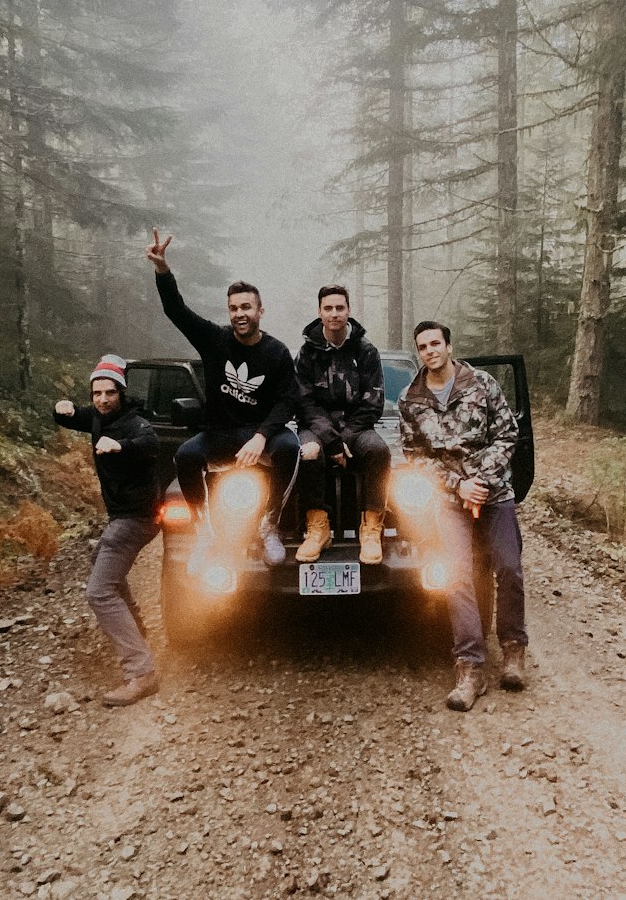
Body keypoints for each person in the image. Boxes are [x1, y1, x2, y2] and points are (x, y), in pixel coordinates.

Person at [145, 229, 300, 570]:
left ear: (261, 310)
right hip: (220, 433)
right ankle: (205, 533)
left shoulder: (276, 352)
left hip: (262, 432)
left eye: (246, 306)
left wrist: (261, 437)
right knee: (185, 455)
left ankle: (269, 524)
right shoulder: (215, 340)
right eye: (233, 308)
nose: (239, 313)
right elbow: (177, 311)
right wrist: (162, 271)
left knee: (291, 449)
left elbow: (288, 401)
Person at [398, 320, 527, 712]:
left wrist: (480, 479)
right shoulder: (411, 399)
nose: (429, 351)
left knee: (509, 569)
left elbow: (507, 433)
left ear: (449, 346)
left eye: (435, 343)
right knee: (457, 575)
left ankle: (513, 651)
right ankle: (470, 667)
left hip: (495, 492)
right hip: (449, 499)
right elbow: (414, 455)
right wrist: (457, 485)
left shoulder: (482, 384)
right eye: (422, 346)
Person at [53, 354, 162, 707]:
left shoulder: (134, 424)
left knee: (98, 592)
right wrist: (62, 410)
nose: (102, 399)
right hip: (122, 517)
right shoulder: (99, 418)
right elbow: (74, 418)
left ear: (121, 394)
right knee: (101, 558)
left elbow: (151, 444)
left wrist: (121, 447)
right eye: (96, 392)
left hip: (138, 518)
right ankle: (136, 631)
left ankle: (141, 673)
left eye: (109, 392)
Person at [294, 284, 389, 565]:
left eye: (340, 308)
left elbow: (374, 402)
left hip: (357, 428)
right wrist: (331, 441)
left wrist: (344, 438)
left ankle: (371, 528)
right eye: (328, 308)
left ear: (348, 311)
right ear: (319, 312)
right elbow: (305, 403)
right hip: (316, 428)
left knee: (379, 452)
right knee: (309, 453)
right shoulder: (306, 353)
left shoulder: (366, 351)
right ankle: (318, 528)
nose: (334, 314)